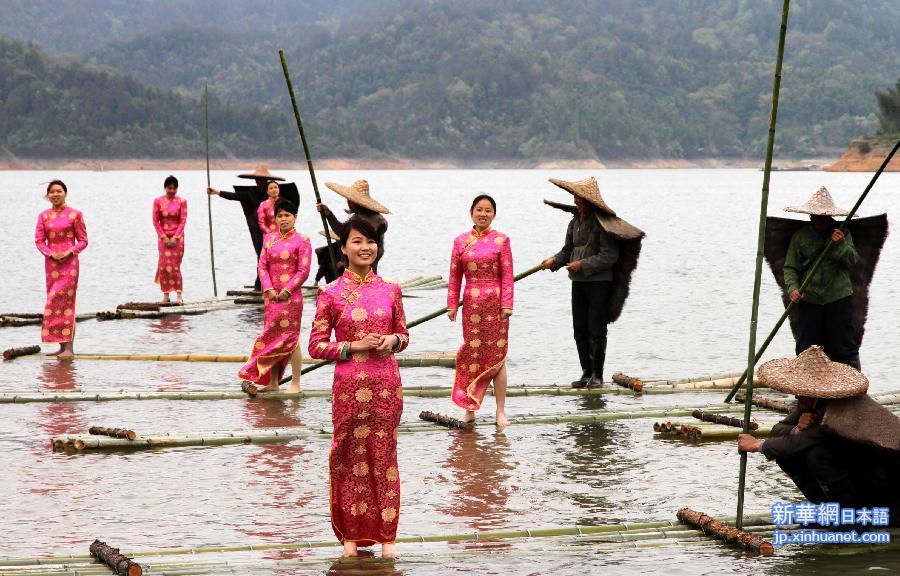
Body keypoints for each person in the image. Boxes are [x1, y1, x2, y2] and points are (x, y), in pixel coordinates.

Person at [308, 216, 409, 558]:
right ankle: (350, 538)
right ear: (343, 247)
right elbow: (316, 346)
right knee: (347, 457)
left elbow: (404, 335)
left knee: (384, 457)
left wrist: (391, 340)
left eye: (370, 242)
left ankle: (388, 538)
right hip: (349, 389)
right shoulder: (331, 294)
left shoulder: (391, 289)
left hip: (386, 388)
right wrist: (353, 346)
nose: (365, 248)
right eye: (357, 241)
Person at [738, 346, 899, 522]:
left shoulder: (840, 409)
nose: (797, 396)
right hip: (859, 476)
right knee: (789, 457)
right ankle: (830, 511)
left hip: (886, 485)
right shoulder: (810, 401)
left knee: (816, 455)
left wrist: (757, 445)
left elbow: (801, 442)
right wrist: (796, 429)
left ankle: (851, 517)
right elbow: (778, 429)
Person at [541, 177, 622, 389]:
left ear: (589, 200)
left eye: (580, 197)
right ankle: (586, 372)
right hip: (578, 282)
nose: (576, 200)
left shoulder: (603, 223)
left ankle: (597, 375)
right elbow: (567, 250)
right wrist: (554, 261)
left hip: (599, 282)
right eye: (575, 197)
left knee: (597, 329)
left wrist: (583, 265)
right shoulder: (574, 222)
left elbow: (609, 255)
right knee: (580, 329)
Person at [446, 194, 513, 427]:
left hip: (496, 306)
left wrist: (507, 305)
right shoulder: (460, 241)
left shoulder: (502, 241)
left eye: (488, 210)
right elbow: (454, 276)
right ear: (471, 212)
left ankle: (500, 411)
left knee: (498, 357)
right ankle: (469, 407)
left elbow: (508, 275)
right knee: (471, 354)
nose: (483, 214)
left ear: (494, 214)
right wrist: (452, 304)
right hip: (471, 305)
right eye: (479, 210)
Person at [781, 187, 862, 368]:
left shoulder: (843, 232)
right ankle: (806, 389)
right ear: (810, 216)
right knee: (807, 347)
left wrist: (840, 244)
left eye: (822, 216)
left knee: (844, 346)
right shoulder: (800, 236)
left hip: (838, 296)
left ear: (829, 217)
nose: (818, 220)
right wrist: (793, 288)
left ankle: (852, 387)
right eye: (815, 216)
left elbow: (852, 261)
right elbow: (790, 267)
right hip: (809, 298)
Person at [238, 198, 311, 393]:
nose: (284, 219)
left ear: (295, 217)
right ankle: (272, 383)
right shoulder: (269, 238)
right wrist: (269, 289)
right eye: (280, 215)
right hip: (271, 297)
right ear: (275, 218)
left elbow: (303, 270)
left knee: (291, 339)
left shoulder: (302, 240)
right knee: (272, 337)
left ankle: (295, 383)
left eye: (287, 215)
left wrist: (287, 290)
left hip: (291, 297)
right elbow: (262, 266)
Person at [207, 166, 299, 290]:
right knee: (263, 257)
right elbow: (236, 196)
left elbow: (291, 210)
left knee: (283, 256)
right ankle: (259, 284)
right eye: (257, 180)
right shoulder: (252, 194)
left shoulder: (281, 198)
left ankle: (281, 282)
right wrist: (217, 192)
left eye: (261, 180)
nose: (258, 182)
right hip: (262, 231)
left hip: (282, 232)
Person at [35, 180, 88, 359]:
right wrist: (50, 254)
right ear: (48, 195)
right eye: (52, 192)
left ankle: (69, 348)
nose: (55, 194)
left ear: (65, 193)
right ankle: (60, 345)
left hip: (70, 265)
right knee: (53, 302)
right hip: (51, 264)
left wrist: (70, 252)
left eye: (59, 191)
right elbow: (39, 241)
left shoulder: (75, 214)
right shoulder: (43, 216)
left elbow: (83, 240)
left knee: (67, 304)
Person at [317, 180, 389, 273]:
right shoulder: (358, 217)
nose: (349, 202)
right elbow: (342, 232)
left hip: (368, 257)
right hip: (363, 259)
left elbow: (342, 232)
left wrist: (329, 215)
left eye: (352, 201)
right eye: (348, 199)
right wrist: (329, 214)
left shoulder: (374, 219)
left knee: (367, 275)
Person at [152, 175, 187, 304]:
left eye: (174, 188)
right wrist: (163, 237)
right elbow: (155, 221)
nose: (171, 190)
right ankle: (165, 295)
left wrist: (175, 237)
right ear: (165, 188)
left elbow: (183, 221)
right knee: (163, 266)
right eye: (169, 188)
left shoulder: (182, 201)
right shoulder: (158, 201)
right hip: (163, 238)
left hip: (178, 238)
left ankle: (179, 295)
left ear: (177, 188)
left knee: (175, 266)